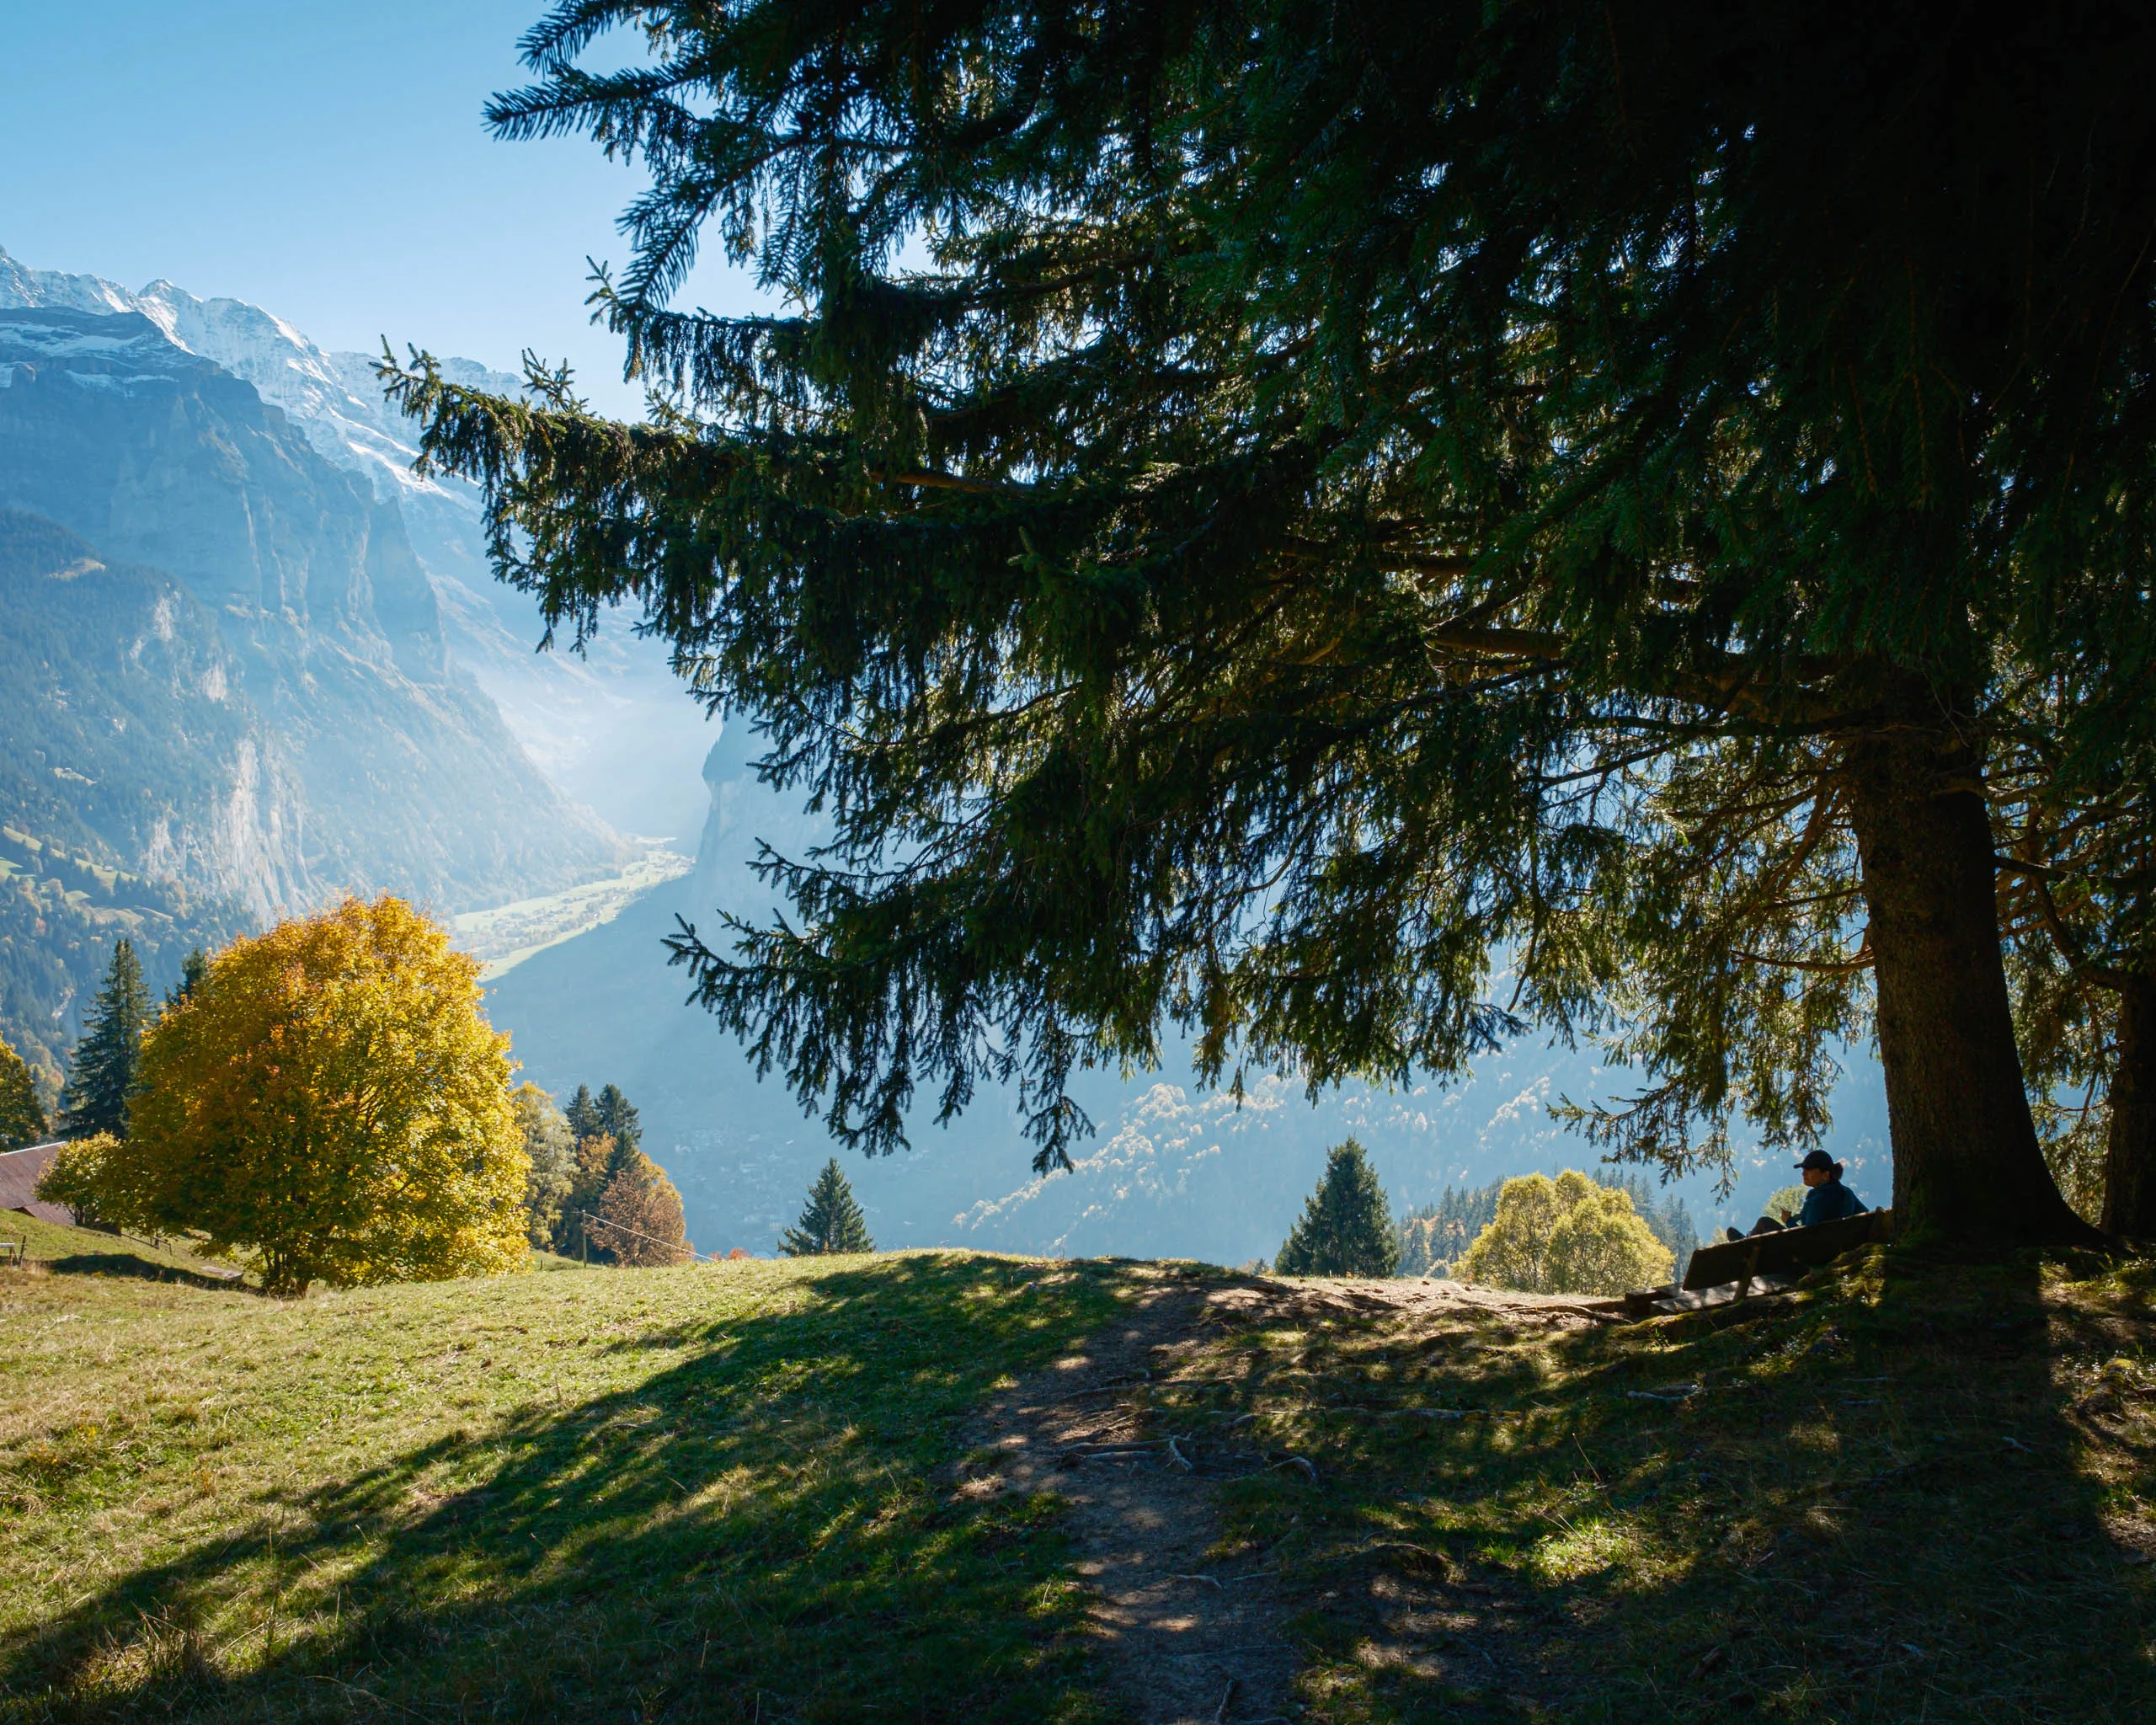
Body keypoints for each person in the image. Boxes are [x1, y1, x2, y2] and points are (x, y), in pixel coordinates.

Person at [1725, 1151, 1867, 1242]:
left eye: (1811, 1170)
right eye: (1804, 1169)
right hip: (1839, 1246)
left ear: (1825, 1175)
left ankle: (1744, 1245)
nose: (1804, 1173)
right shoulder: (1845, 1192)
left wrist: (1789, 1221)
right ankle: (1747, 1241)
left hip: (1814, 1255)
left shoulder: (1819, 1199)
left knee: (1764, 1223)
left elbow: (1806, 1237)